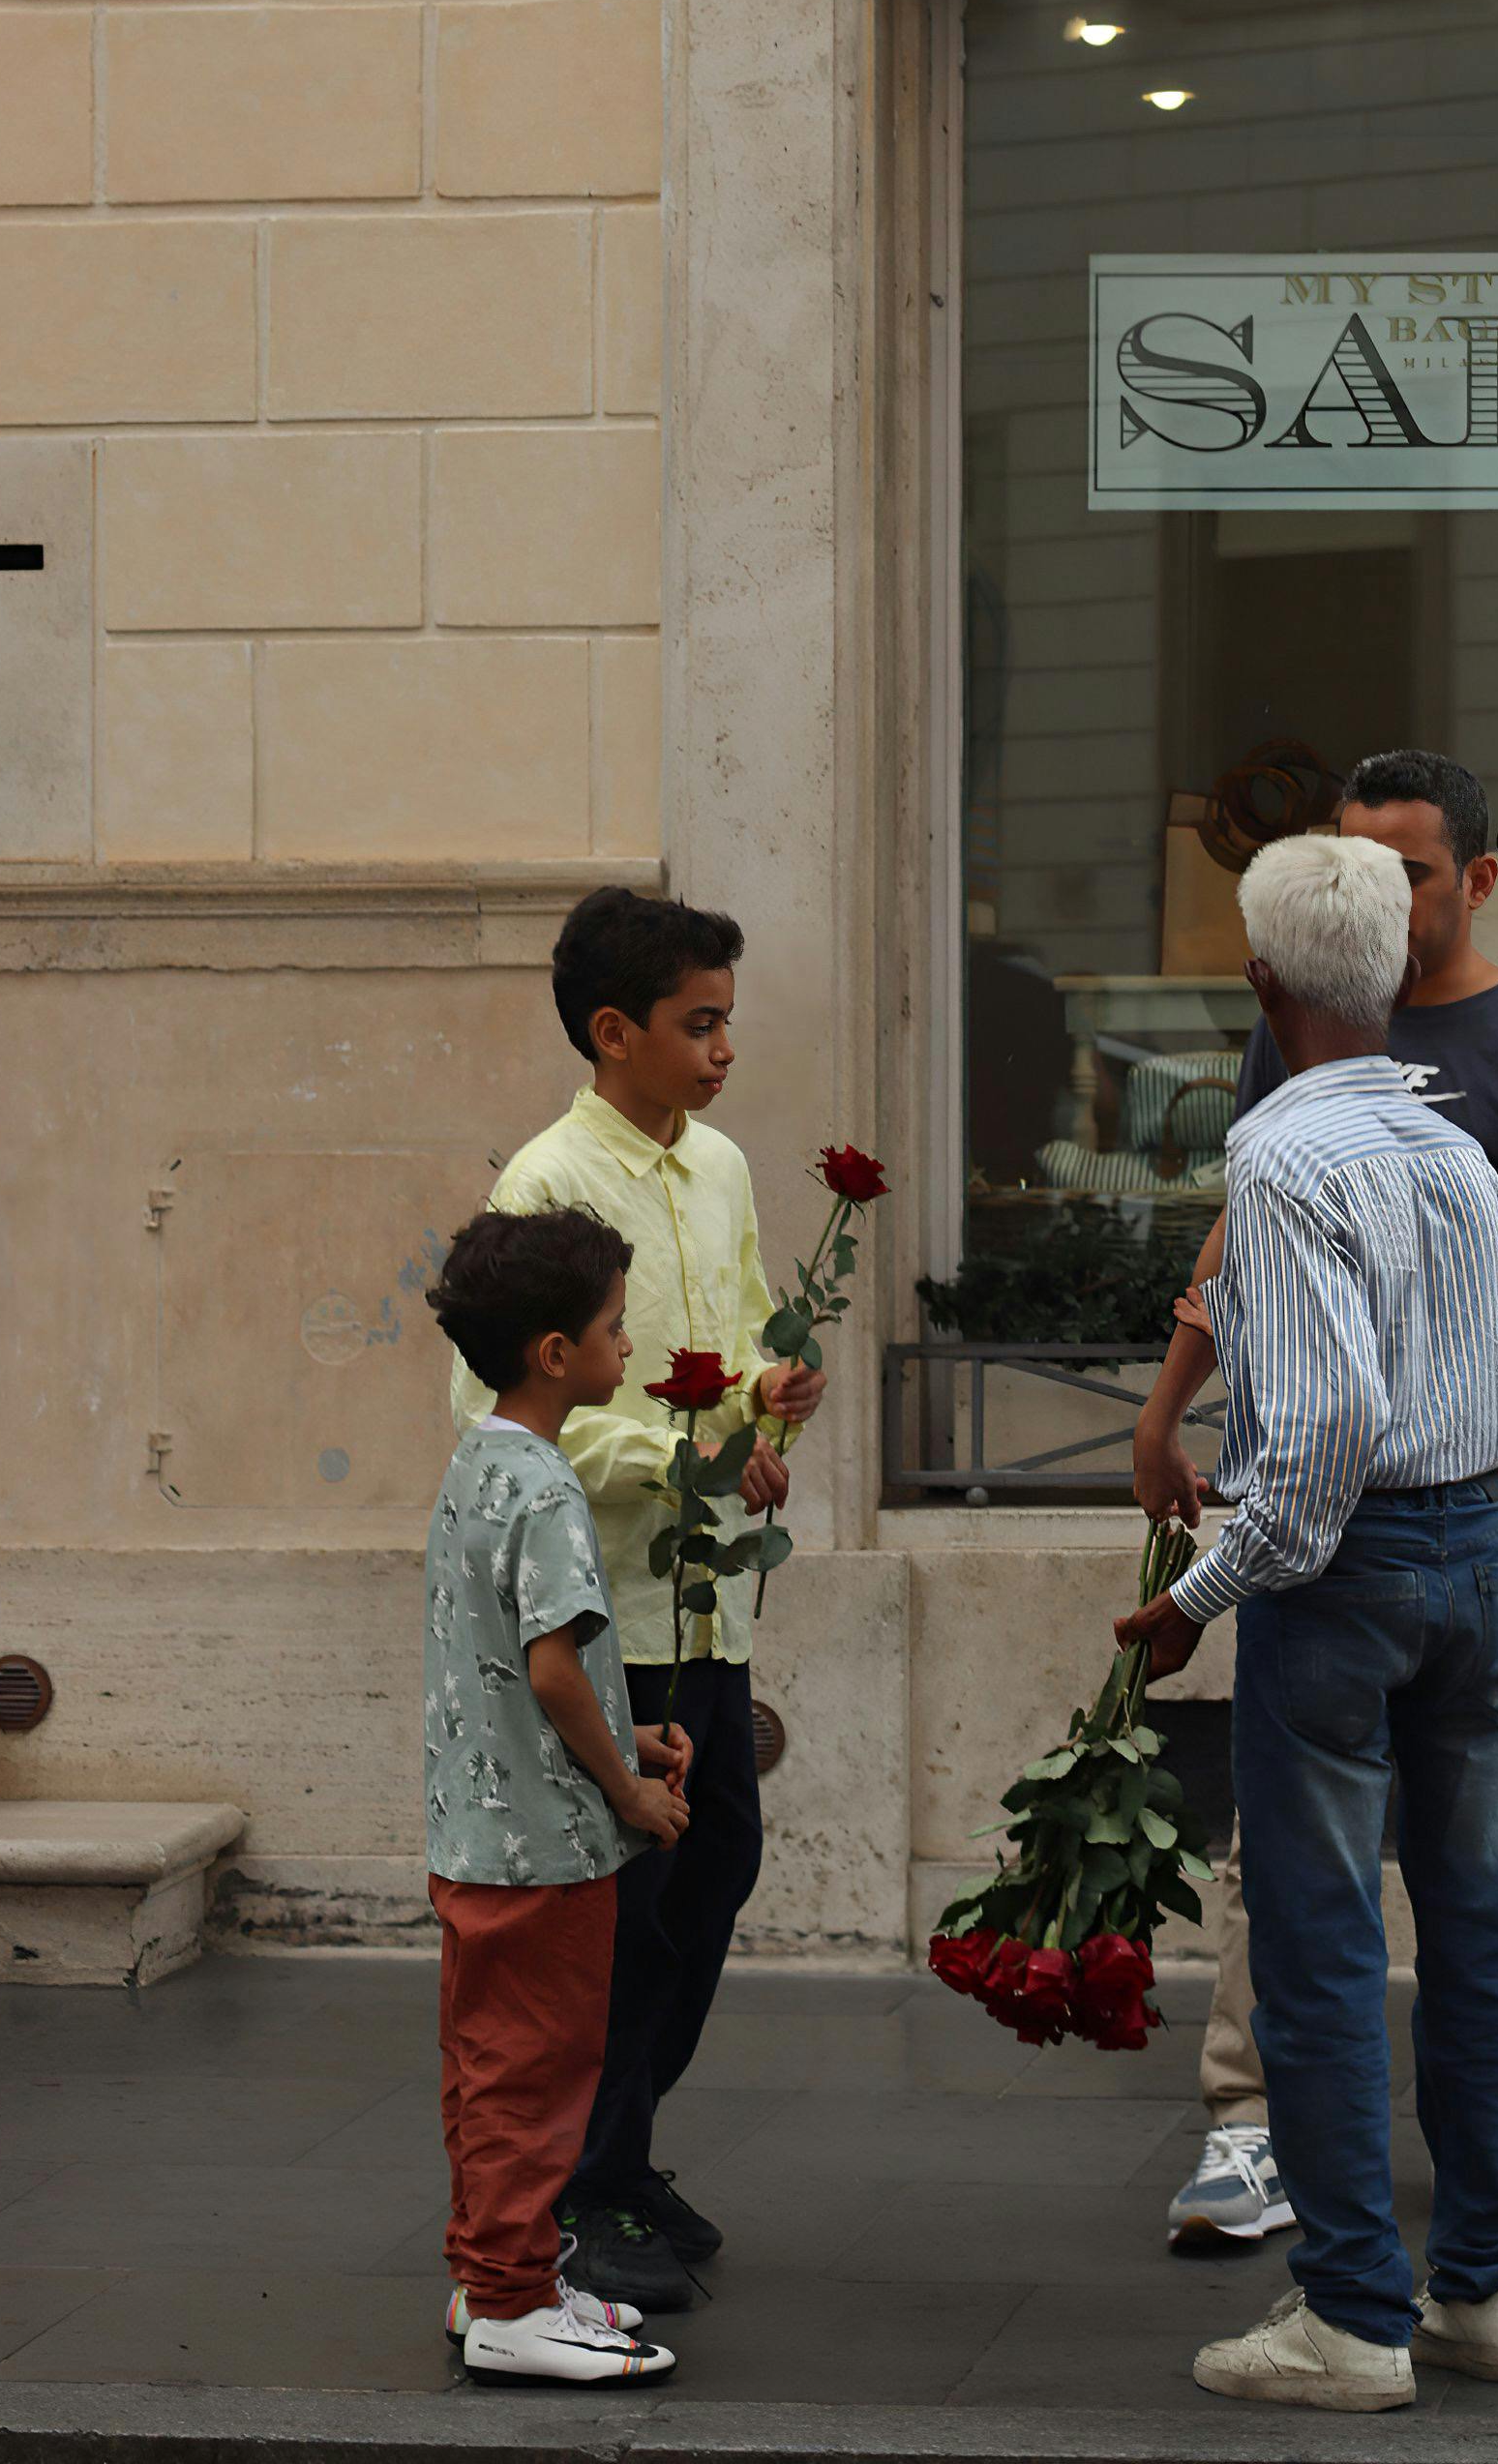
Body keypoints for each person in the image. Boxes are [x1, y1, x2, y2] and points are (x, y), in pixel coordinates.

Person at [1115, 832, 1498, 2415]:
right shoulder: (1453, 1154)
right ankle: (1495, 2287)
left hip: (1346, 1576)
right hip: (1479, 1557)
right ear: (1390, 974)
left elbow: (1307, 1455)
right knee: (1478, 1937)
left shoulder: (1282, 1164)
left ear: (1257, 984)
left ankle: (1355, 2314)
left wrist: (1187, 1603)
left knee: (1314, 1946)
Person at [447, 884, 825, 2315]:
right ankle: (576, 2190)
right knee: (624, 1910)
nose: (725, 1050)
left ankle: (618, 2149)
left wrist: (767, 1397)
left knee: (711, 1872)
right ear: (616, 1032)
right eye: (699, 1024)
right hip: (603, 1611)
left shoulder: (717, 1167)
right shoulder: (546, 1185)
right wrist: (704, 1445)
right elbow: (513, 1414)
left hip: (711, 1602)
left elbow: (724, 1347)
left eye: (729, 1020)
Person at [422, 1203, 688, 2387]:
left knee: (488, 2067)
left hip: (476, 1835)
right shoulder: (547, 1487)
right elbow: (550, 1665)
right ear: (554, 1351)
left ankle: (491, 2273)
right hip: (545, 1851)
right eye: (615, 1327)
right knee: (536, 2075)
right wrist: (632, 1789)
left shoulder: (476, 1462)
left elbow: (503, 1666)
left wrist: (619, 1728)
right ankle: (517, 2305)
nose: (626, 1347)